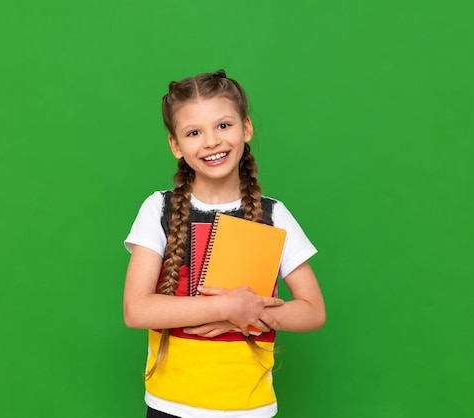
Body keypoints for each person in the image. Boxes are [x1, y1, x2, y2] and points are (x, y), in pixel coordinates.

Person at [123, 70, 326, 418]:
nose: (211, 141)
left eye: (223, 126)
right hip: (170, 407)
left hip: (249, 409)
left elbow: (313, 311)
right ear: (175, 144)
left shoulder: (273, 214)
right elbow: (137, 310)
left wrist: (252, 311)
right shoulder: (158, 208)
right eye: (193, 132)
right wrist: (226, 308)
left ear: (246, 128)